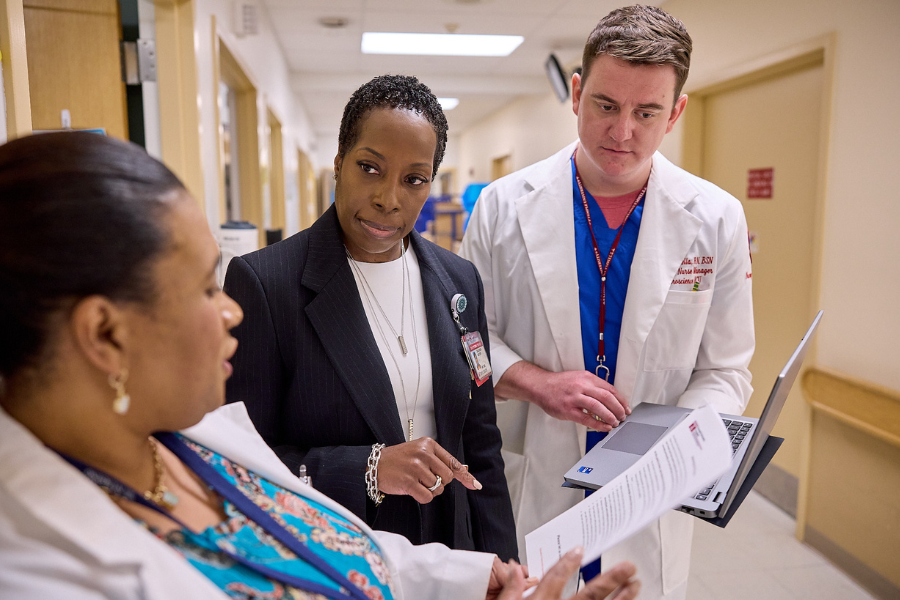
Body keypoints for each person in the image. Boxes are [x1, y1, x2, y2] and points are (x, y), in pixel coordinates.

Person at [0, 132, 643, 600]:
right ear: (105, 335)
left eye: (415, 179)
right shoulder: (37, 571)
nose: (227, 313)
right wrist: (366, 465)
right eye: (200, 289)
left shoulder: (191, 439)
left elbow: (340, 550)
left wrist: (485, 582)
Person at [460, 5, 754, 600]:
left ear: (675, 112)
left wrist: (679, 438)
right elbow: (465, 339)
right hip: (534, 474)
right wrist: (536, 382)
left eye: (646, 112)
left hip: (648, 496)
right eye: (605, 105)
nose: (622, 132)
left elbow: (725, 369)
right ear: (575, 92)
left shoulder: (716, 218)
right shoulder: (501, 206)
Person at [224, 75, 517, 560]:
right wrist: (369, 467)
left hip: (451, 550)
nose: (389, 198)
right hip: (337, 554)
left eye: (414, 179)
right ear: (338, 163)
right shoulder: (266, 284)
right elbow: (242, 462)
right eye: (369, 168)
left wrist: (504, 565)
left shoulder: (458, 281)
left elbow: (480, 443)